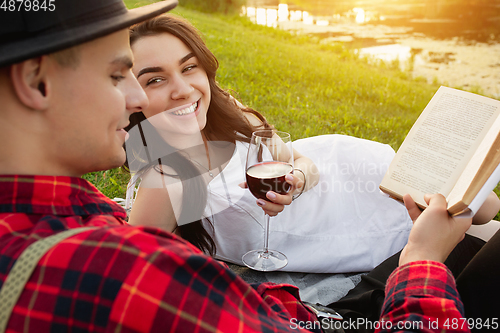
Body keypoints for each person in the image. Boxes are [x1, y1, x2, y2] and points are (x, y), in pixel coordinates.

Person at [0, 1, 321, 331]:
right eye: (115, 76)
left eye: (188, 68)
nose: (136, 99)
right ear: (36, 82)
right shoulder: (131, 267)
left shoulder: (66, 219)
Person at [125, 14, 414, 273]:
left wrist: (295, 181)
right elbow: (129, 271)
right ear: (132, 96)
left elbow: (302, 162)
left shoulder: (226, 111)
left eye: (189, 67)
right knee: (431, 224)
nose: (184, 90)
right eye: (156, 80)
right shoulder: (165, 180)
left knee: (435, 198)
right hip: (340, 230)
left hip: (346, 172)